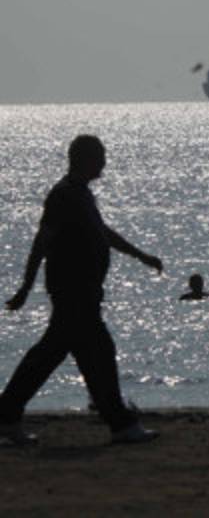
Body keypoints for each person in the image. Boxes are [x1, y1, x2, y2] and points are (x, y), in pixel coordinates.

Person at [1, 135, 162, 446]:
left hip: (84, 292)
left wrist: (140, 255)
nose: (104, 163)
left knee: (50, 356)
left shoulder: (82, 195)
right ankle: (120, 422)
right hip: (72, 293)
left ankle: (6, 415)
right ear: (85, 159)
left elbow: (102, 233)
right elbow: (42, 242)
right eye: (99, 157)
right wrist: (25, 287)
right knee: (98, 352)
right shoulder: (62, 196)